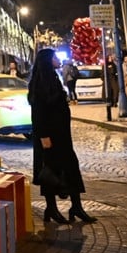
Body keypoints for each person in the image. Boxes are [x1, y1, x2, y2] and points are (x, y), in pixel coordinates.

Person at [27, 48, 96, 225]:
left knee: (71, 168)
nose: (58, 60)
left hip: (62, 135)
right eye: (55, 57)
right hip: (49, 137)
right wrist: (43, 136)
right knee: (49, 171)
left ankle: (76, 207)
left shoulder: (53, 78)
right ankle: (51, 208)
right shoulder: (40, 83)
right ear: (47, 61)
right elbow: (39, 113)